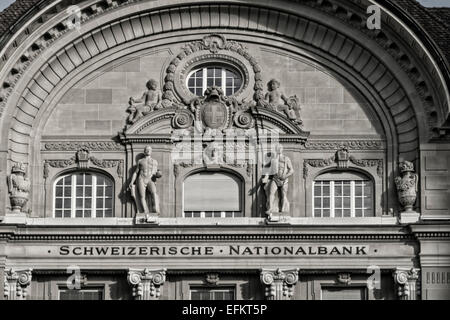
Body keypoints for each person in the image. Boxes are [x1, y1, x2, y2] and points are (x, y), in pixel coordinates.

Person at [262, 144, 294, 215]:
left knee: (283, 195)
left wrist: (286, 176)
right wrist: (266, 177)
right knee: (271, 193)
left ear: (282, 149)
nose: (279, 149)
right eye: (278, 148)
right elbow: (269, 171)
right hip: (275, 178)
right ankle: (270, 208)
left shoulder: (286, 159)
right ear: (276, 149)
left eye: (280, 148)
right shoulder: (273, 160)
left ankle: (283, 210)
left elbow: (291, 170)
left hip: (284, 179)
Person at [129, 146, 161, 214]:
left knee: (154, 192)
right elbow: (135, 172)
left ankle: (156, 208)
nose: (148, 150)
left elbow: (156, 172)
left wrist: (158, 174)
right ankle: (145, 211)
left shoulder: (155, 161)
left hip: (150, 179)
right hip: (141, 178)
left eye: (149, 149)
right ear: (144, 151)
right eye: (146, 149)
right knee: (142, 196)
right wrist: (131, 182)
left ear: (151, 151)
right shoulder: (140, 161)